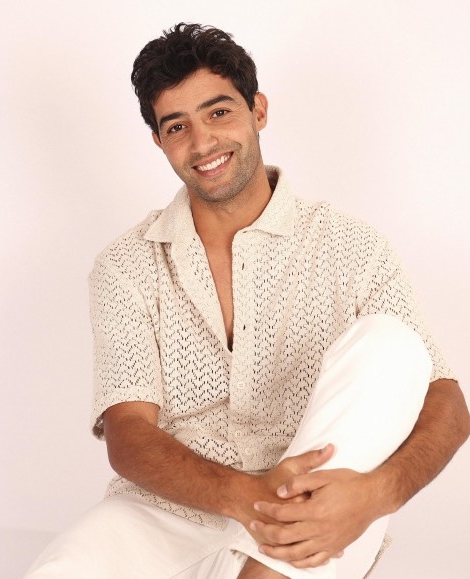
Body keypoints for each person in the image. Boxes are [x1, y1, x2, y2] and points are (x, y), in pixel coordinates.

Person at [26, 23, 469, 579]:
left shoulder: (350, 245)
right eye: (177, 126)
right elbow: (129, 434)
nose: (202, 143)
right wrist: (246, 496)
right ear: (159, 141)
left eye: (218, 112)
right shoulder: (125, 265)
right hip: (163, 515)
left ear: (258, 110)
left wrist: (376, 495)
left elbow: (447, 402)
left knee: (393, 344)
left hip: (316, 506)